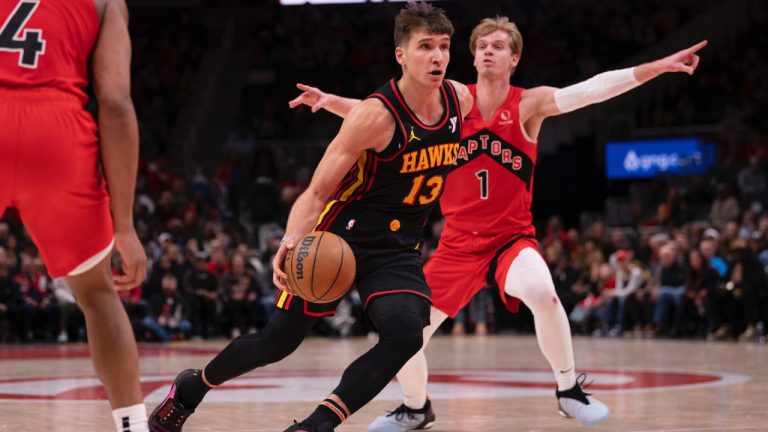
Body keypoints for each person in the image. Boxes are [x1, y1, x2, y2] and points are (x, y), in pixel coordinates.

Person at [291, 16, 706, 429]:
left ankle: (568, 390)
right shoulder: (451, 104)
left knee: (544, 293)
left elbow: (592, 90)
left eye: (498, 45)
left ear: (514, 57)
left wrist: (656, 67)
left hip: (511, 240)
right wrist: (330, 102)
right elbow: (383, 117)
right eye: (482, 45)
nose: (488, 50)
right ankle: (417, 408)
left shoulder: (529, 104)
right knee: (403, 330)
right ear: (472, 57)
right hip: (456, 244)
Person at [148, 3, 473, 432]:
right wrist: (288, 244)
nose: (437, 56)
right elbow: (317, 191)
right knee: (276, 342)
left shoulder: (460, 99)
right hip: (340, 238)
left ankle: (315, 426)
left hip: (397, 248)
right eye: (425, 46)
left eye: (444, 47)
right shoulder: (373, 116)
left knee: (407, 334)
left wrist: (335, 101)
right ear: (401, 55)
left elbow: (411, 121)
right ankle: (191, 388)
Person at [0, 0, 148, 431]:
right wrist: (124, 226)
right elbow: (117, 103)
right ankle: (132, 426)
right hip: (57, 132)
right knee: (98, 295)